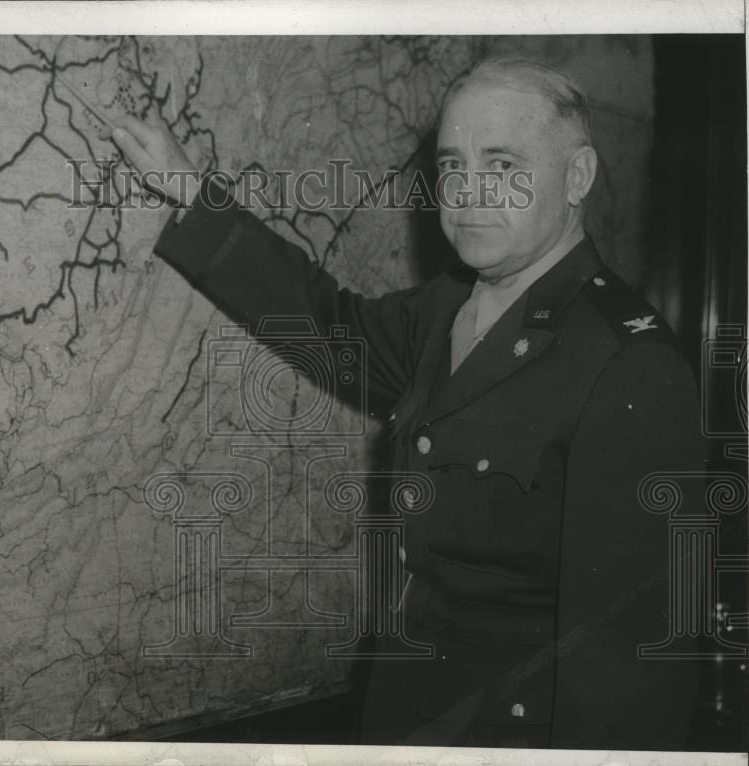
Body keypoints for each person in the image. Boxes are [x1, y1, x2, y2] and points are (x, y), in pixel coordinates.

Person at [111, 57, 705, 750]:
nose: (470, 193)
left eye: (503, 165)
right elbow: (331, 329)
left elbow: (627, 657)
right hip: (406, 716)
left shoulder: (628, 363)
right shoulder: (450, 304)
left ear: (577, 178)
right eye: (453, 166)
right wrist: (192, 194)